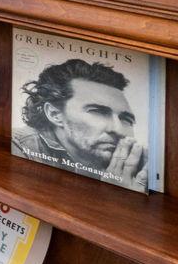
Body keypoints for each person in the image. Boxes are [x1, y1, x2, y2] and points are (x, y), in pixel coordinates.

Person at [15, 57, 148, 190]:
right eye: (98, 112)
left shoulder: (144, 164)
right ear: (55, 114)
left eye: (126, 119)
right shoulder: (18, 146)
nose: (118, 129)